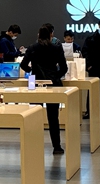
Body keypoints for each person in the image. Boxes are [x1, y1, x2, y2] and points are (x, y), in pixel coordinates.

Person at [20, 24, 68, 155]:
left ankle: (33, 144)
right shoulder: (56, 48)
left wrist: (32, 72)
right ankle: (57, 147)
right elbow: (64, 68)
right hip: (53, 85)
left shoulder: (32, 48)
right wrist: (54, 77)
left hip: (36, 84)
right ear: (50, 35)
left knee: (34, 115)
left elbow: (23, 65)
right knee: (53, 117)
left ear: (38, 35)